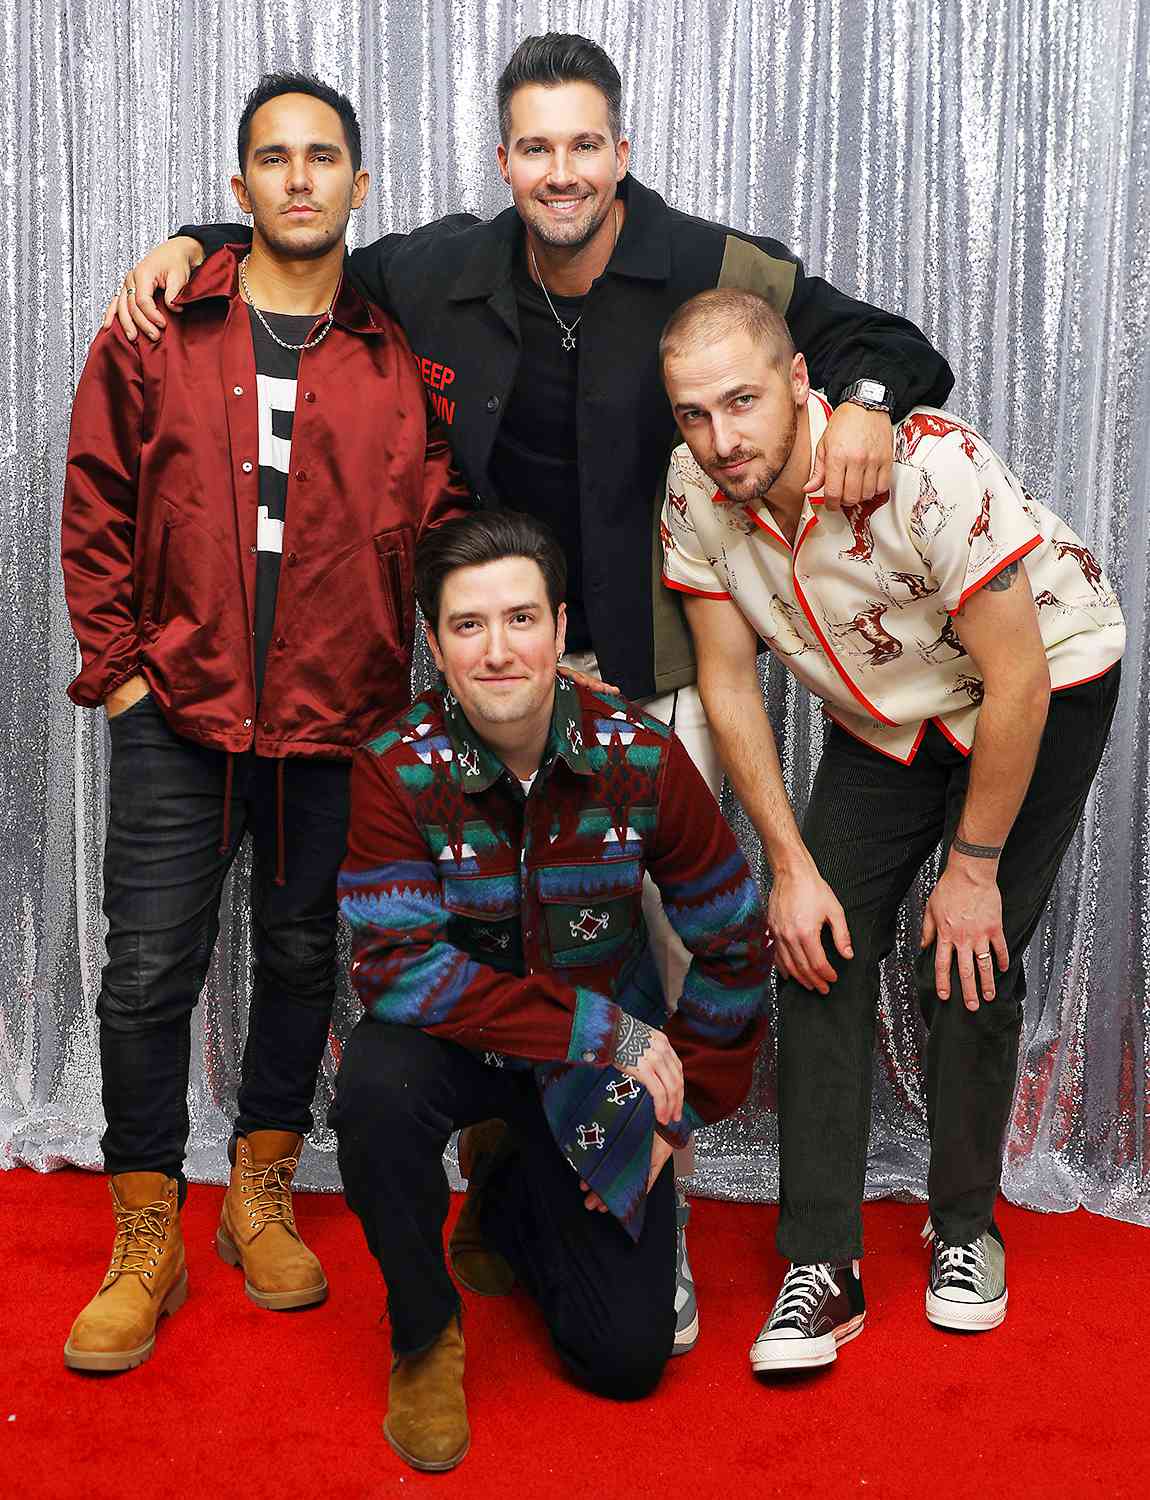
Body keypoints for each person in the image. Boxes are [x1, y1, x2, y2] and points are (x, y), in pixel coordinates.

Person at [106, 30, 953, 1349]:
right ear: (504, 162)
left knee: (664, 969)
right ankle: (509, 1183)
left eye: (583, 145)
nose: (559, 172)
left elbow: (876, 340)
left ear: (620, 152)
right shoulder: (445, 267)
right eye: (534, 148)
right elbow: (303, 239)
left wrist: (860, 402)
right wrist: (187, 239)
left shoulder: (713, 263)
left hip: (651, 680)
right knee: (499, 944)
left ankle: (644, 1224)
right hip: (495, 676)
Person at [60, 72, 469, 1374]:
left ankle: (260, 1190)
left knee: (300, 966)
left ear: (357, 184)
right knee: (146, 975)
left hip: (333, 732)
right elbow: (95, 502)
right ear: (239, 191)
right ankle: (147, 1230)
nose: (300, 178)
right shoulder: (157, 326)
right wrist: (123, 678)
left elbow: (449, 539)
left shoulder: (407, 360)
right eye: (274, 160)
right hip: (174, 718)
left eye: (323, 157)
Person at [658, 288, 1124, 1372]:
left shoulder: (924, 464)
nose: (721, 438)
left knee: (965, 947)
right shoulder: (691, 487)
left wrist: (973, 869)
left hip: (1043, 680)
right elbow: (728, 682)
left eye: (741, 402)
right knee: (817, 941)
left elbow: (1012, 680)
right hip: (886, 709)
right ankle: (821, 1262)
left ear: (796, 384)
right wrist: (787, 866)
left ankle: (966, 1228)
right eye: (693, 413)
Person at [331, 509, 772, 1471]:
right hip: (462, 1046)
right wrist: (591, 1026)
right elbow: (394, 966)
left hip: (591, 1074)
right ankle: (423, 1335)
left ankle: (511, 1191)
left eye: (521, 619)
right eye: (468, 626)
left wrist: (672, 1118)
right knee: (372, 1090)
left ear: (562, 627)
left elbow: (736, 943)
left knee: (622, 1359)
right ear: (437, 646)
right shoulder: (393, 767)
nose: (498, 651)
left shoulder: (641, 757)